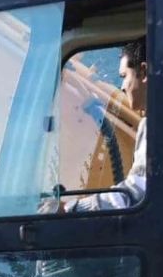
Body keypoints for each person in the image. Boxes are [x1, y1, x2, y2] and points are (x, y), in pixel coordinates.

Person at [61, 38, 148, 212]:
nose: (122, 87)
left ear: (144, 72)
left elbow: (135, 193)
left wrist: (69, 209)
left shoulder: (157, 123)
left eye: (124, 76)